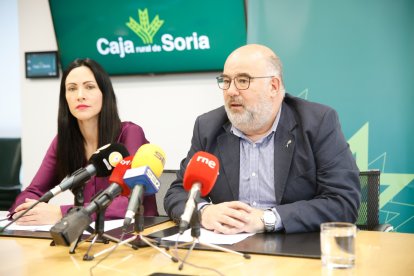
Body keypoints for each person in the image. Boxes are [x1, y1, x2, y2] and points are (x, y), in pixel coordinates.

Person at [164, 44, 360, 234]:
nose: (231, 91)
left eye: (243, 80)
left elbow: (343, 202)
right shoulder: (208, 127)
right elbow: (177, 193)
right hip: (229, 254)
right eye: (226, 81)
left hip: (297, 251)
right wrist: (204, 212)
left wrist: (268, 219)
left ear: (273, 86)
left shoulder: (317, 123)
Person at [9, 58, 157, 225]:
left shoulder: (130, 134)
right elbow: (34, 191)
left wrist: (62, 212)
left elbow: (131, 202)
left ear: (104, 93)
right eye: (72, 89)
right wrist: (23, 210)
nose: (80, 96)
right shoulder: (63, 142)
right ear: (65, 98)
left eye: (89, 87)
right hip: (87, 236)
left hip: (139, 234)